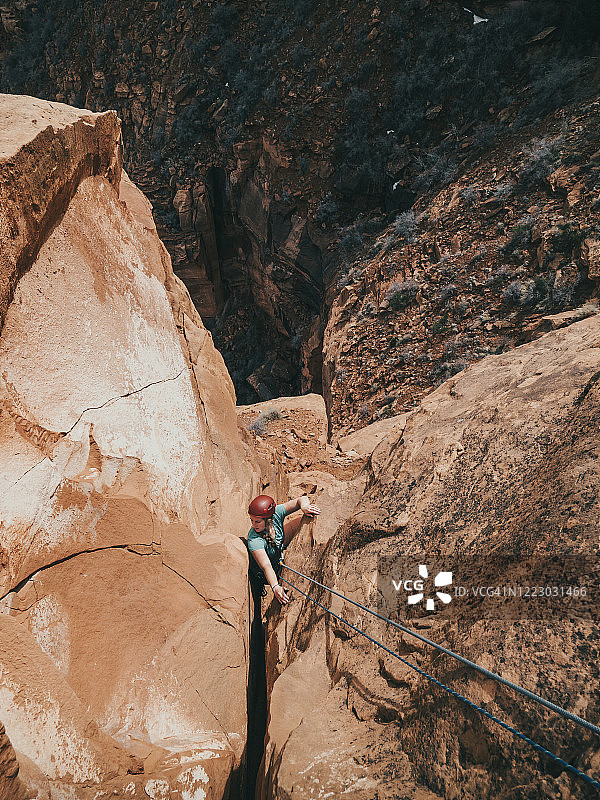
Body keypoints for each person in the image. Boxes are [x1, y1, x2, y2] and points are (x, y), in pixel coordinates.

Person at [247, 494, 320, 604]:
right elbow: (266, 566)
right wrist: (276, 587)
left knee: (303, 519)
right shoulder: (254, 540)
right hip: (264, 572)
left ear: (268, 519)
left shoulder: (276, 513)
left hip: (277, 551)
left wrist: (305, 507)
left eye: (257, 521)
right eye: (251, 520)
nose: (254, 525)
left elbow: (302, 499)